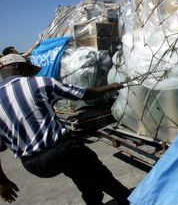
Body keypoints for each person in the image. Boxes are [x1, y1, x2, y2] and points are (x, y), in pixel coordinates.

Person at [0, 54, 131, 204]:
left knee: (81, 174)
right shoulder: (38, 83)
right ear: (20, 67)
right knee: (102, 177)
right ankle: (129, 201)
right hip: (62, 149)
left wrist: (2, 182)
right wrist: (111, 86)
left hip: (34, 165)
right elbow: (84, 94)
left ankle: (93, 200)